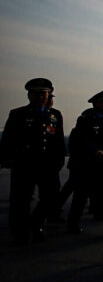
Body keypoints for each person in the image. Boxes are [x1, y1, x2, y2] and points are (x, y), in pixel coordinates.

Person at [1, 78, 66, 245]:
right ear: (29, 95)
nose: (40, 97)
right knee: (20, 201)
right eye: (36, 93)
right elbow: (8, 139)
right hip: (25, 164)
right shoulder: (18, 114)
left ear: (48, 95)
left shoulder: (55, 115)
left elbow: (58, 142)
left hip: (48, 165)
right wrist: (7, 158)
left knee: (51, 199)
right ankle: (20, 233)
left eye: (44, 94)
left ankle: (35, 223)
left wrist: (58, 162)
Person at [66, 89, 103, 235]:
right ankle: (72, 224)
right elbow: (81, 138)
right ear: (96, 103)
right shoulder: (85, 119)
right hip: (87, 166)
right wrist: (94, 150)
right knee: (80, 197)